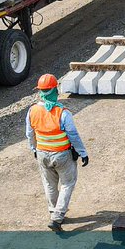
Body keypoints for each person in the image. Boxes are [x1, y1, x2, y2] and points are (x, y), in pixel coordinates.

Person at [25, 74, 88, 231]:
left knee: (49, 184)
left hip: (42, 154)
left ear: (40, 91)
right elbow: (73, 135)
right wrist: (82, 152)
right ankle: (57, 217)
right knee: (67, 184)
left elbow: (29, 133)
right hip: (62, 155)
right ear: (55, 90)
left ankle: (53, 211)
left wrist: (34, 149)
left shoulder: (32, 110)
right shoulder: (63, 113)